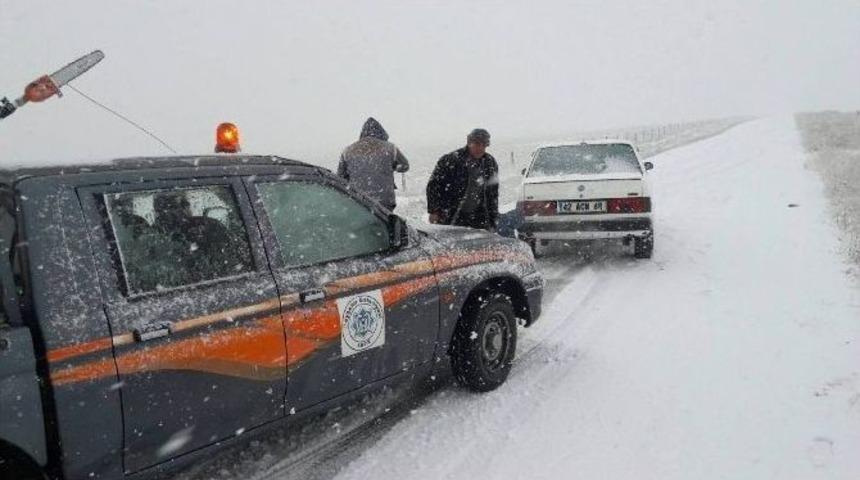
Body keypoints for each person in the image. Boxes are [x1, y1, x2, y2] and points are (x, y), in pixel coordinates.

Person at [426, 128, 499, 231]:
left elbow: (493, 193)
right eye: (477, 144)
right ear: (469, 142)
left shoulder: (489, 163)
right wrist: (434, 211)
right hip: (451, 215)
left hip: (479, 218)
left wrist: (493, 219)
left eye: (484, 145)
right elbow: (433, 185)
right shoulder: (450, 160)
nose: (480, 148)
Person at [338, 117, 410, 211]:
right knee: (384, 219)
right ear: (381, 132)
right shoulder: (390, 148)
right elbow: (405, 165)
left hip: (358, 200)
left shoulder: (348, 150)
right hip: (384, 199)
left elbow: (340, 177)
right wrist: (394, 167)